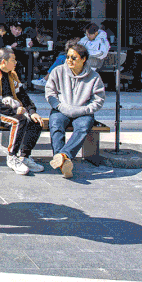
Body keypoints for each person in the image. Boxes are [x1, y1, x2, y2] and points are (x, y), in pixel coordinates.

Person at [44, 40, 106, 179]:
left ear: (83, 59)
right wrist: (60, 106)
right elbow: (50, 93)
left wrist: (84, 110)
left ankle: (63, 156)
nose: (69, 60)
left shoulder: (94, 77)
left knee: (83, 126)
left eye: (74, 58)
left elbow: (98, 100)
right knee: (56, 124)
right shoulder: (58, 71)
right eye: (67, 57)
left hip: (83, 112)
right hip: (61, 109)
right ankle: (64, 162)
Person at [0, 47, 45, 176]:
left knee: (36, 122)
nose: (16, 63)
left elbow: (23, 96)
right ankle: (12, 156)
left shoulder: (12, 74)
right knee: (19, 120)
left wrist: (32, 111)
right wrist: (14, 110)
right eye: (13, 60)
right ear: (4, 61)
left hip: (11, 108)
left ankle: (25, 156)